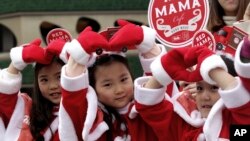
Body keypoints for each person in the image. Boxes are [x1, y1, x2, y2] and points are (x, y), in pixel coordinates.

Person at [55, 20, 178, 141]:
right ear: (93, 88)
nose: (119, 90)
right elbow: (73, 101)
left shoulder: (148, 111)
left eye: (124, 79)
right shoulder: (92, 122)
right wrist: (78, 55)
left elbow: (161, 84)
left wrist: (148, 47)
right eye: (107, 84)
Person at [149, 36, 250, 140]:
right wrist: (165, 67)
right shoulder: (184, 126)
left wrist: (210, 66)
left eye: (214, 88)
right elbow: (149, 108)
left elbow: (244, 107)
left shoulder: (237, 126)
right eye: (199, 88)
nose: (205, 97)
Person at [0, 38, 64, 141]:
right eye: (44, 80)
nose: (52, 86)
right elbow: (4, 101)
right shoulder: (29, 110)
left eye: (59, 77)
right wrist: (16, 64)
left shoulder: (87, 112)